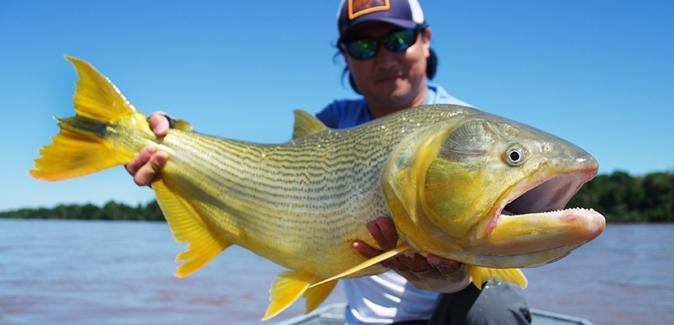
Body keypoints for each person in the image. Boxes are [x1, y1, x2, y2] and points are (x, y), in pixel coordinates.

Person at [126, 1, 532, 324]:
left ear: (425, 40)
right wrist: (172, 140)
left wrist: (455, 275)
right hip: (366, 318)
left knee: (494, 311)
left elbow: (502, 244)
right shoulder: (335, 122)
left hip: (453, 311)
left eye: (398, 39)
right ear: (346, 57)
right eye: (363, 45)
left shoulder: (475, 134)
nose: (384, 57)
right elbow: (269, 168)